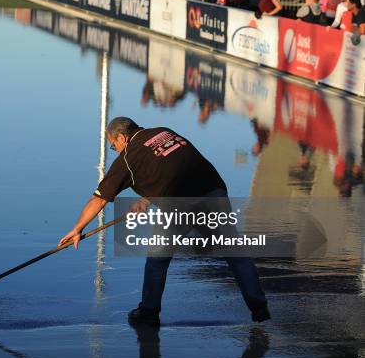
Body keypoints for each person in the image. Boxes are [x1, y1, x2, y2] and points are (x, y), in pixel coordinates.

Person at [59, 117, 270, 326]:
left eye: (113, 146)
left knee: (157, 259)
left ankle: (149, 312)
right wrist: (144, 201)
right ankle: (259, 306)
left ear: (122, 138)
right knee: (235, 253)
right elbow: (169, 167)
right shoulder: (163, 132)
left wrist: (78, 228)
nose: (116, 151)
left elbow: (99, 199)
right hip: (212, 190)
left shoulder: (127, 159)